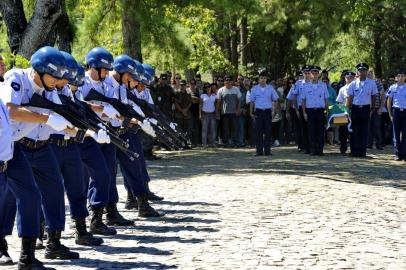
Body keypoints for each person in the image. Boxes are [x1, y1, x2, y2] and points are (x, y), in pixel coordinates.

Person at [0, 46, 77, 269]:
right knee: (5, 199)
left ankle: (27, 257)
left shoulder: (49, 90)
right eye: (54, 76)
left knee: (32, 196)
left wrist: (88, 132)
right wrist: (46, 119)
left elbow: (64, 120)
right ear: (40, 71)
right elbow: (11, 110)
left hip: (17, 150)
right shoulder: (17, 78)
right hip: (15, 146)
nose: (57, 82)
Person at [51, 52, 103, 246]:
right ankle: (44, 234)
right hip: (50, 145)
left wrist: (92, 131)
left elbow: (76, 117)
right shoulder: (48, 92)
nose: (68, 81)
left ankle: (81, 230)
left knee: (77, 189)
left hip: (70, 144)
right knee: (49, 193)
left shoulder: (67, 93)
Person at [76, 47, 120, 236]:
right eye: (105, 69)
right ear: (95, 67)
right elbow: (76, 103)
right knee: (80, 180)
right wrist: (101, 109)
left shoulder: (106, 84)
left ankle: (97, 218)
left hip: (104, 133)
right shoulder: (81, 81)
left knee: (105, 175)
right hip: (84, 135)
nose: (107, 73)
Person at [346, 63, 378, 157]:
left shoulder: (372, 83)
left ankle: (362, 152)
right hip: (355, 108)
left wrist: (372, 108)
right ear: (357, 71)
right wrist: (347, 109)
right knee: (355, 130)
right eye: (360, 70)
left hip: (366, 108)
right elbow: (350, 98)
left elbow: (374, 96)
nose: (362, 72)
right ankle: (355, 151)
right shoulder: (353, 84)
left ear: (367, 71)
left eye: (364, 70)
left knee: (364, 131)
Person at [249, 71, 279, 156]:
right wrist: (251, 112)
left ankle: (267, 151)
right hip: (258, 112)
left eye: (264, 78)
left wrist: (274, 111)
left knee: (268, 132)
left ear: (266, 79)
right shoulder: (254, 89)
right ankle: (259, 151)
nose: (263, 80)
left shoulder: (270, 88)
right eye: (261, 78)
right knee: (258, 132)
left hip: (267, 111)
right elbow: (251, 101)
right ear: (258, 79)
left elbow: (276, 100)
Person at [302, 66, 329, 156]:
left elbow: (326, 99)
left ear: (318, 74)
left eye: (316, 73)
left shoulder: (323, 85)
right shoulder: (305, 86)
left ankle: (320, 150)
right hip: (310, 111)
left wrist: (327, 110)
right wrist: (304, 112)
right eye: (313, 73)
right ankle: (313, 150)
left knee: (320, 131)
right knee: (311, 131)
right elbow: (303, 100)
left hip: (320, 111)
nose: (314, 75)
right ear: (310, 74)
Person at [216, 75, 241, 147]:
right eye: (226, 80)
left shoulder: (236, 89)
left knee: (235, 128)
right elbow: (218, 102)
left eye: (229, 80)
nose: (228, 82)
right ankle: (226, 143)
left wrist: (238, 109)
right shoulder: (221, 90)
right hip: (224, 113)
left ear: (232, 81)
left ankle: (235, 143)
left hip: (234, 112)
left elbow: (239, 101)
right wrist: (217, 112)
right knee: (225, 129)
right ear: (224, 82)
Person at [386, 69, 406, 161]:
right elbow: (389, 102)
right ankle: (397, 154)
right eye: (399, 76)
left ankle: (404, 154)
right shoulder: (392, 87)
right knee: (396, 134)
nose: (401, 78)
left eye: (402, 76)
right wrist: (390, 114)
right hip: (396, 111)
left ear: (405, 77)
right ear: (396, 78)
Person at [336, 71, 356, 154]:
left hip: (354, 110)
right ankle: (343, 148)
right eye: (348, 78)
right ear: (345, 79)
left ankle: (353, 148)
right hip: (344, 111)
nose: (349, 79)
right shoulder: (342, 89)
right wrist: (342, 111)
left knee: (353, 130)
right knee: (343, 131)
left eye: (351, 78)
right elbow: (339, 102)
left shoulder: (357, 87)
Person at [367, 71, 384, 150]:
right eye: (367, 74)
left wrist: (381, 108)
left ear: (373, 74)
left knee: (377, 127)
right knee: (368, 127)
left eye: (370, 74)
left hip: (376, 108)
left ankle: (379, 144)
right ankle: (368, 144)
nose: (368, 75)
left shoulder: (378, 83)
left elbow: (382, 95)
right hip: (366, 108)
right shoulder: (364, 83)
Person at [200, 83, 217, 147]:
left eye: (209, 87)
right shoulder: (202, 95)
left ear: (211, 88)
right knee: (204, 130)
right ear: (205, 88)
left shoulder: (214, 95)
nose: (208, 88)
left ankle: (213, 143)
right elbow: (200, 105)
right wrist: (200, 114)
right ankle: (204, 144)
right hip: (204, 114)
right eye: (206, 87)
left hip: (212, 114)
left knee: (213, 130)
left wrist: (216, 113)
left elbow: (216, 105)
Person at [188, 79, 201, 146]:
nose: (192, 85)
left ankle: (196, 142)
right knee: (190, 127)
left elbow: (200, 101)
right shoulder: (187, 90)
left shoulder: (198, 91)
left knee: (196, 128)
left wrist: (196, 100)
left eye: (194, 83)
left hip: (196, 111)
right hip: (189, 112)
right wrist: (193, 100)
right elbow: (188, 100)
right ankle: (190, 142)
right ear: (189, 84)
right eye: (191, 83)